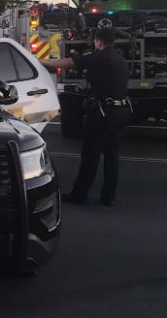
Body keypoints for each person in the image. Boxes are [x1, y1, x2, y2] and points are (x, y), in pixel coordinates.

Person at [40, 27, 130, 206]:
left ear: (98, 41)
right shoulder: (120, 59)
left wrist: (43, 62)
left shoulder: (100, 56)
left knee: (91, 155)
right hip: (121, 111)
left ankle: (79, 194)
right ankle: (108, 196)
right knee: (112, 156)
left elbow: (70, 62)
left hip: (102, 112)